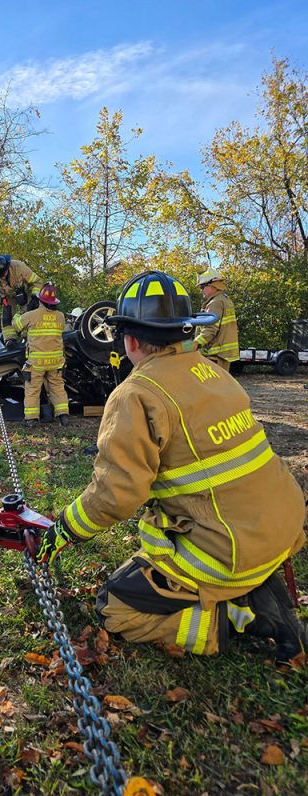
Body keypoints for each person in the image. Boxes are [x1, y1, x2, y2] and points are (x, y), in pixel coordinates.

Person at [34, 270, 306, 662]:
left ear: (128, 339)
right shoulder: (218, 374)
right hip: (281, 527)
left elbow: (115, 495)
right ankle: (256, 587)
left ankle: (230, 621)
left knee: (116, 607)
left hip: (227, 550)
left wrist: (64, 529)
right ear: (186, 331)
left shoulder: (138, 393)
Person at [13, 283, 69, 427]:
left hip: (37, 362)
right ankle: (63, 416)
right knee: (57, 388)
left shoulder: (32, 315)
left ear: (40, 300)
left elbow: (16, 326)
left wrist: (20, 312)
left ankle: (31, 419)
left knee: (32, 389)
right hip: (56, 361)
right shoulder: (60, 316)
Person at [0, 255, 43, 346]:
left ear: (7, 269)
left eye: (3, 275)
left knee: (28, 311)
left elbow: (37, 282)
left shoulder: (20, 267)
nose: (1, 278)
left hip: (27, 291)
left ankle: (26, 336)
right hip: (9, 295)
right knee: (7, 316)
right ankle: (10, 340)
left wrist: (35, 296)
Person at [194, 268, 239, 372]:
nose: (201, 291)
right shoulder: (225, 300)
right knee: (220, 386)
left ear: (211, 286)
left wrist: (195, 344)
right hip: (222, 355)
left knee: (210, 386)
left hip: (214, 355)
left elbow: (210, 329)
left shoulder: (215, 303)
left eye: (202, 287)